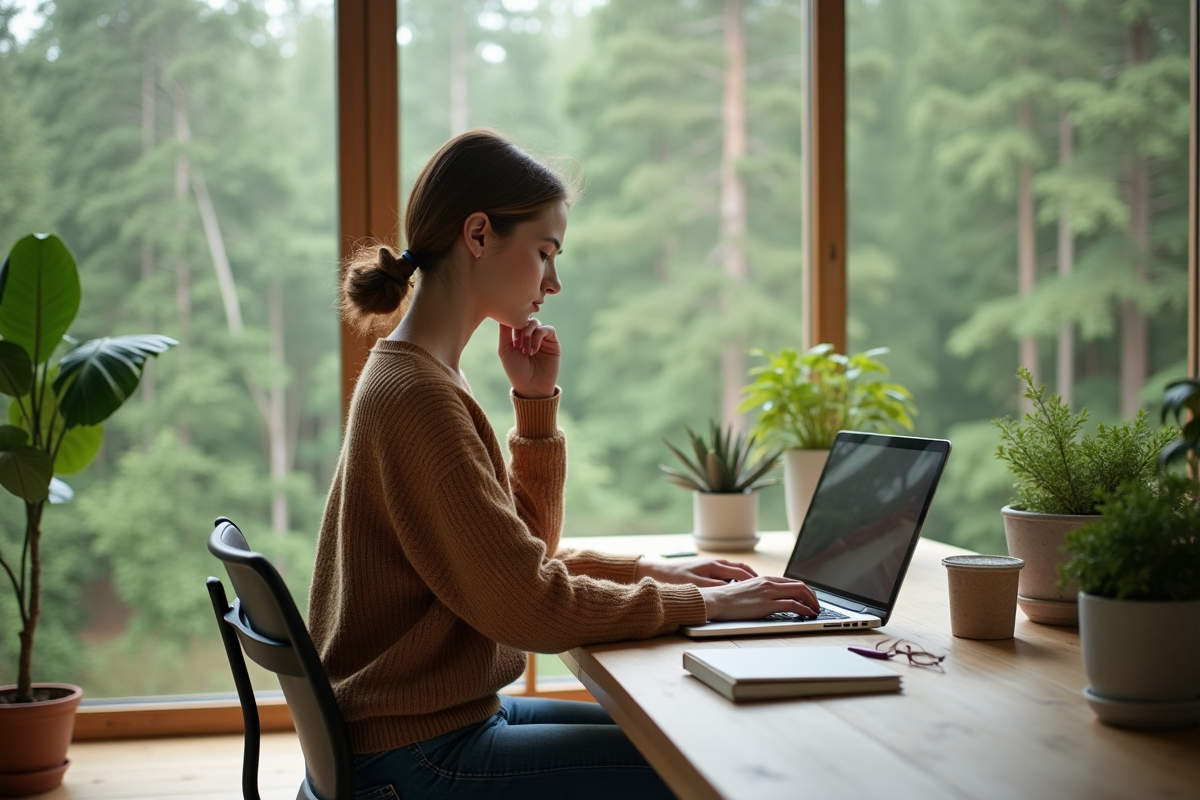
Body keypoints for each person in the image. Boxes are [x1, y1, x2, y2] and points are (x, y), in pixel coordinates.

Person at [308, 129, 821, 800]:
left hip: (436, 726)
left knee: (676, 733)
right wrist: (706, 602)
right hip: (417, 756)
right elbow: (529, 607)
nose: (554, 281)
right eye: (545, 253)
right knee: (708, 767)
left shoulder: (424, 375)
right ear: (479, 235)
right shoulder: (417, 397)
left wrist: (535, 407)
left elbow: (516, 558)